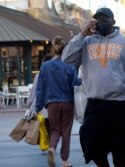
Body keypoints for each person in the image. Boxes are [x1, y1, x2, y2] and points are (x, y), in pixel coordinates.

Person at [61, 7, 125, 167]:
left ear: (113, 21)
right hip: (95, 104)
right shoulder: (86, 42)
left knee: (121, 151)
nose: (101, 22)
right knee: (89, 141)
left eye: (105, 19)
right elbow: (67, 59)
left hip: (121, 104)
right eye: (97, 19)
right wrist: (82, 34)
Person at [36, 36, 80, 167]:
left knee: (55, 130)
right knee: (66, 131)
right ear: (65, 49)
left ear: (53, 50)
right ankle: (65, 161)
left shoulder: (45, 66)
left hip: (52, 103)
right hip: (67, 102)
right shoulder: (70, 66)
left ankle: (52, 149)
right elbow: (75, 84)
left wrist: (38, 105)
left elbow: (40, 88)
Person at [26, 54, 53, 138]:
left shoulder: (39, 75)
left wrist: (29, 104)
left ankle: (46, 143)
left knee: (43, 126)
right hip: (53, 105)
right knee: (52, 128)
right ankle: (51, 145)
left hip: (40, 105)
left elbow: (34, 91)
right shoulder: (56, 75)